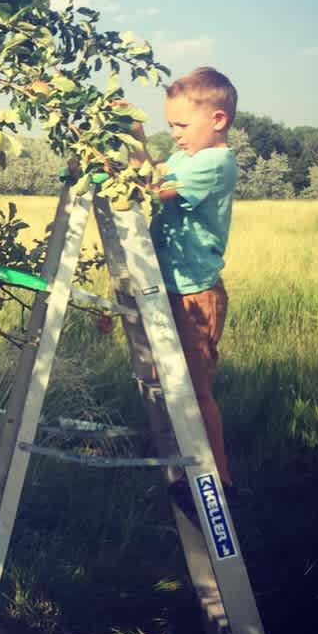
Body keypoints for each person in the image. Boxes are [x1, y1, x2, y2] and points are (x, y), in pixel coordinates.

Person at [139, 67, 239, 496]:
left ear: (217, 120)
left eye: (181, 125)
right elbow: (153, 172)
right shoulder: (185, 157)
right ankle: (186, 467)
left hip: (197, 295)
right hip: (173, 288)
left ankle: (220, 479)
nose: (176, 135)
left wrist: (135, 141)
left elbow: (155, 187)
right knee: (171, 383)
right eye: (170, 126)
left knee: (197, 393)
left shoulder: (216, 163)